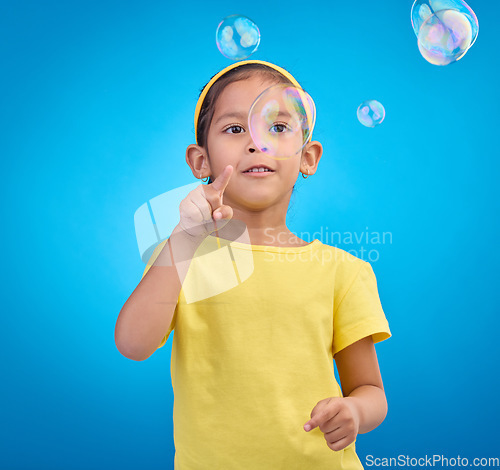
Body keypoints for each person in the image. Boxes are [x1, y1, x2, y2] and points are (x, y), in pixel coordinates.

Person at [115, 59, 392, 469]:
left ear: (308, 157)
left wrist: (354, 413)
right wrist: (184, 238)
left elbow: (370, 390)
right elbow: (132, 345)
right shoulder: (180, 256)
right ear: (200, 162)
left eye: (277, 128)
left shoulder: (342, 271)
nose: (255, 142)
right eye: (234, 129)